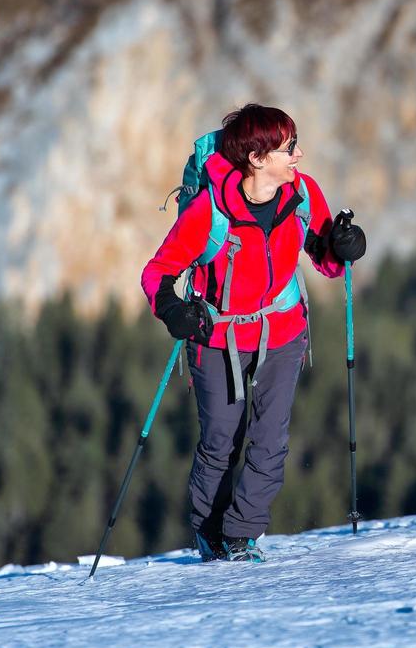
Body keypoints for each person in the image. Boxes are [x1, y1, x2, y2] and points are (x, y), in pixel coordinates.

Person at [141, 104, 366, 562]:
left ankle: (242, 537)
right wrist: (172, 310)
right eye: (289, 148)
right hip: (217, 339)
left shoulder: (302, 194)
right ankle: (210, 533)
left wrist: (343, 246)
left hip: (282, 332)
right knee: (220, 440)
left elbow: (324, 257)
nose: (299, 155)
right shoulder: (210, 212)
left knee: (269, 440)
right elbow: (157, 272)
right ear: (257, 158)